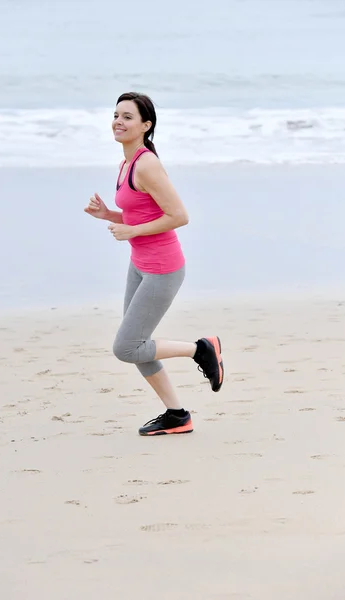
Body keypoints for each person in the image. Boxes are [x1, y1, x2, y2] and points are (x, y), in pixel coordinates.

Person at [84, 92, 224, 436]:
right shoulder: (126, 161)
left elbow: (179, 216)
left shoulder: (146, 163)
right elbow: (142, 212)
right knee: (139, 343)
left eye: (128, 117)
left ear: (146, 126)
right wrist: (110, 215)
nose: (118, 121)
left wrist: (131, 229)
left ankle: (201, 349)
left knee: (127, 347)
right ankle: (177, 415)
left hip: (163, 268)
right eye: (116, 114)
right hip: (140, 263)